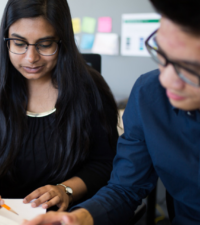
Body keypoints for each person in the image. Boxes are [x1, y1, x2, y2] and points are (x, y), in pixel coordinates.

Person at [22, 0, 200, 224]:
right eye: (162, 54)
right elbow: (125, 189)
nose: (166, 79)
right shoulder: (149, 94)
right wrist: (79, 218)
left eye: (189, 69)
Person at [0, 0, 119, 216]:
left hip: (62, 216)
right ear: (6, 39)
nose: (31, 58)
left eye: (45, 45)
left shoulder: (90, 88)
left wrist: (66, 190)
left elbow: (104, 163)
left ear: (63, 41)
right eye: (19, 43)